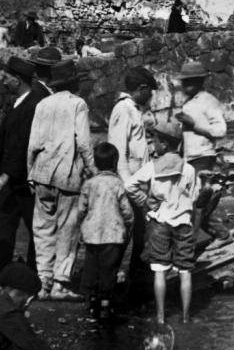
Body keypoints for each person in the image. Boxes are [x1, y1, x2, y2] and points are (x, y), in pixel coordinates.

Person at [27, 59, 95, 301]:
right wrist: (93, 170)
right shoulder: (78, 104)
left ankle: (43, 282)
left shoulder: (43, 104)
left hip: (42, 172)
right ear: (74, 83)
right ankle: (59, 282)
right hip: (67, 174)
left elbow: (33, 143)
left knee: (43, 228)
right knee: (68, 229)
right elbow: (84, 142)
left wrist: (30, 172)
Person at [0, 56, 49, 282]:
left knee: (34, 230)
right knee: (3, 228)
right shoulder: (21, 102)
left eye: (7, 77)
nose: (3, 81)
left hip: (22, 180)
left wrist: (5, 175)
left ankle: (33, 276)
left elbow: (23, 144)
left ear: (18, 79)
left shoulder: (31, 105)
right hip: (14, 180)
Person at [174, 61, 233, 248]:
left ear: (200, 81)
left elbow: (220, 130)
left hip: (203, 156)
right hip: (189, 157)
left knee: (197, 203)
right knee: (193, 202)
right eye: (184, 82)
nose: (185, 86)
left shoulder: (208, 101)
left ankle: (213, 236)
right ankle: (218, 233)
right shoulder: (189, 102)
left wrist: (195, 126)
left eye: (189, 82)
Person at [108, 66, 157, 284]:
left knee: (139, 229)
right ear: (142, 88)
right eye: (150, 91)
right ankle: (112, 273)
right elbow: (118, 151)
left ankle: (136, 272)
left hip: (137, 179)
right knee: (125, 230)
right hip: (128, 180)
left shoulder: (134, 109)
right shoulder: (123, 110)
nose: (151, 96)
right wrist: (127, 184)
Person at [140, 145, 197, 325]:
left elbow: (129, 185)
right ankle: (186, 317)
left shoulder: (152, 167)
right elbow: (194, 196)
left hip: (160, 220)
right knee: (185, 270)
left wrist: (146, 202)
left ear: (161, 145)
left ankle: (160, 317)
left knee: (159, 270)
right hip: (183, 221)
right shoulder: (189, 169)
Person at [78, 142, 134, 324]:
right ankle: (105, 303)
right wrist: (129, 227)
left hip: (92, 234)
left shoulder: (89, 184)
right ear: (116, 162)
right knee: (108, 269)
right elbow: (127, 211)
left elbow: (81, 209)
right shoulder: (118, 184)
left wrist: (81, 225)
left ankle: (91, 300)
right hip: (113, 234)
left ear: (95, 162)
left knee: (91, 266)